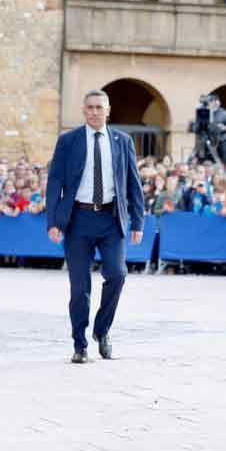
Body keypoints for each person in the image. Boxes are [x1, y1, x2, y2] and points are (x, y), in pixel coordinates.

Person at [46, 89, 143, 363]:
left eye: (99, 107)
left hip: (112, 219)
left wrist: (138, 220)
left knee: (118, 274)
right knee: (80, 287)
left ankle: (102, 330)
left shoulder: (122, 141)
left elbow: (133, 183)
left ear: (108, 110)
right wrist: (53, 221)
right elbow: (55, 182)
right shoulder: (68, 141)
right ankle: (80, 344)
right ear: (83, 110)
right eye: (90, 107)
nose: (95, 112)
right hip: (78, 219)